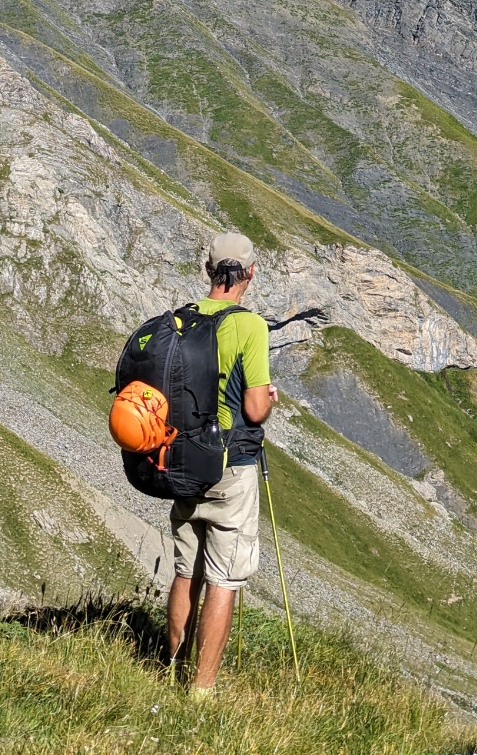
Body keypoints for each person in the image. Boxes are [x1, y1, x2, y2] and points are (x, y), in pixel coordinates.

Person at [167, 230, 276, 694]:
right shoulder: (250, 326)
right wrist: (269, 399)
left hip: (184, 463)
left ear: (208, 270)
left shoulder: (180, 320)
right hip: (231, 467)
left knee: (184, 571)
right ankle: (201, 692)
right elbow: (253, 411)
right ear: (250, 272)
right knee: (223, 580)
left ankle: (169, 672)